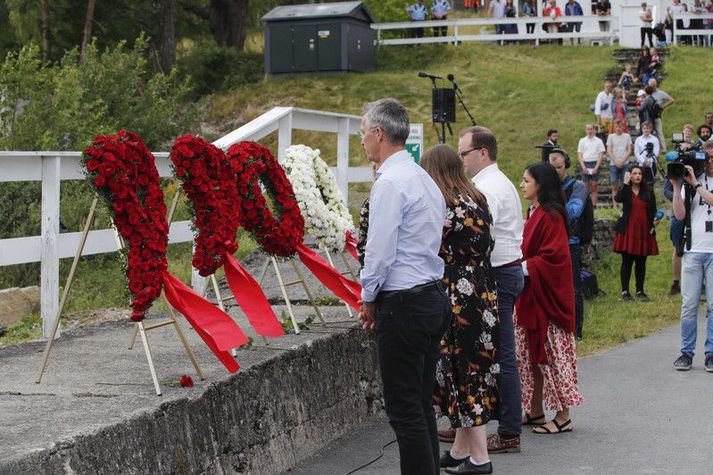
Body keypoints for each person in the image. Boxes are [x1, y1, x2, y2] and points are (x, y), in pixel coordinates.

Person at [358, 98, 451, 475]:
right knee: (420, 404)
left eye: (364, 134)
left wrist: (367, 297)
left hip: (405, 303)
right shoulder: (422, 177)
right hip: (430, 295)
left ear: (379, 134)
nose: (362, 142)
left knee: (404, 410)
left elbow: (379, 251)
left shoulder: (391, 183)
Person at [422, 144, 499, 475]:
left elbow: (424, 247)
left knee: (461, 372)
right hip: (482, 293)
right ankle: (461, 449)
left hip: (455, 297)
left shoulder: (443, 206)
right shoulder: (476, 199)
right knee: (474, 367)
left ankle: (480, 458)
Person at [454, 126, 525, 455]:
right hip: (504, 268)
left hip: (498, 270)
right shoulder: (493, 183)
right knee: (492, 352)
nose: (461, 161)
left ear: (482, 152)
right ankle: (473, 428)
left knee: (502, 354)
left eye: (463, 154)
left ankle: (509, 431)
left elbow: (481, 236)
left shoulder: (488, 187)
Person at [516, 161, 583, 435]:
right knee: (528, 354)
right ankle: (534, 409)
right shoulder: (535, 212)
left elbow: (554, 257)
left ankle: (563, 415)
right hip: (531, 294)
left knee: (552, 356)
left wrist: (521, 266)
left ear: (540, 185)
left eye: (526, 180)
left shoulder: (551, 216)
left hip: (547, 298)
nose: (521, 184)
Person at [670, 141, 713, 373]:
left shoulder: (696, 182)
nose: (710, 161)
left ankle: (711, 353)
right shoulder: (690, 182)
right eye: (708, 157)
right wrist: (678, 187)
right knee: (688, 305)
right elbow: (679, 215)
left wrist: (696, 184)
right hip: (693, 249)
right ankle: (686, 353)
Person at [549, 149, 587, 339]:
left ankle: (576, 329)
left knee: (574, 288)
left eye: (559, 167)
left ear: (567, 165)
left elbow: (573, 213)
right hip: (550, 242)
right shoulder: (546, 188)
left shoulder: (577, 186)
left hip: (570, 242)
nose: (556, 171)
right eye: (552, 168)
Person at [613, 166, 659, 301]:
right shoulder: (626, 190)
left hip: (644, 230)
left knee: (641, 262)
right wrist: (625, 183)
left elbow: (654, 210)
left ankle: (640, 291)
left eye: (639, 173)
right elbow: (618, 198)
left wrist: (655, 219)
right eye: (634, 173)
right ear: (630, 176)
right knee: (627, 262)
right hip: (628, 230)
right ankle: (625, 291)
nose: (637, 176)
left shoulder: (648, 191)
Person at [577, 123, 606, 206]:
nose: (589, 131)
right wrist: (583, 167)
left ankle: (593, 205)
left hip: (595, 163)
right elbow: (580, 155)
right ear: (586, 130)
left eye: (591, 129)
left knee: (594, 185)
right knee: (585, 186)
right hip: (585, 163)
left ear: (594, 130)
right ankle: (585, 205)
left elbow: (601, 155)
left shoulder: (598, 141)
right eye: (588, 129)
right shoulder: (582, 140)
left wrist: (596, 167)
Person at [607, 119, 633, 207]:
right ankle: (615, 205)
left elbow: (629, 150)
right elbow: (609, 151)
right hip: (613, 163)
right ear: (614, 127)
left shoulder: (627, 136)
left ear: (623, 127)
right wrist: (616, 161)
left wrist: (622, 161)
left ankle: (623, 204)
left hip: (624, 163)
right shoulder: (611, 137)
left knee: (625, 184)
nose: (618, 128)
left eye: (620, 126)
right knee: (614, 184)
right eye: (617, 126)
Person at [648, 78, 675, 151]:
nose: (653, 87)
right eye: (651, 85)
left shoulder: (660, 93)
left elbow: (671, 100)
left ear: (656, 85)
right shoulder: (647, 93)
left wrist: (663, 107)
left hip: (657, 114)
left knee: (659, 131)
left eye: (654, 85)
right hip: (648, 115)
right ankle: (651, 148)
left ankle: (663, 149)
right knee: (649, 132)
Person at [633, 120, 659, 185]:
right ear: (642, 129)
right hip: (641, 165)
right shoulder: (638, 140)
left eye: (647, 128)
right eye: (644, 128)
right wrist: (643, 161)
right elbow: (636, 152)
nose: (645, 130)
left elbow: (656, 152)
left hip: (651, 165)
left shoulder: (654, 139)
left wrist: (649, 161)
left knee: (650, 184)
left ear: (650, 129)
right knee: (641, 184)